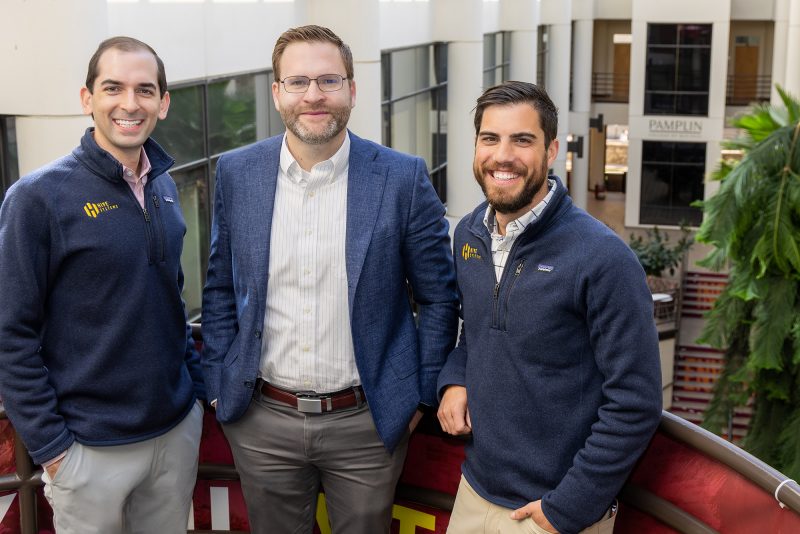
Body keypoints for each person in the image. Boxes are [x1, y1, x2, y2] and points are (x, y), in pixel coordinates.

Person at [201, 24, 459, 534]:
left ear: (352, 90)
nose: (313, 96)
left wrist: (419, 396)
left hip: (366, 423)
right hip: (261, 421)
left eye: (328, 81)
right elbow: (219, 288)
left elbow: (438, 297)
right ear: (276, 93)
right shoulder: (237, 172)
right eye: (297, 82)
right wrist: (219, 386)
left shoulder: (402, 178)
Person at [437, 81, 662, 534]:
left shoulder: (602, 258)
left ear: (552, 149)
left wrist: (569, 507)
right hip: (474, 490)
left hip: (552, 511)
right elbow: (474, 328)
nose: (503, 156)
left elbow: (636, 401)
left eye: (523, 140)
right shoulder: (468, 235)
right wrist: (455, 379)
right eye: (490, 138)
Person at [0, 36, 205, 534]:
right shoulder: (37, 199)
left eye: (145, 89)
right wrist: (52, 449)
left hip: (174, 433)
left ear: (163, 102)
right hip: (87, 451)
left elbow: (169, 297)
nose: (129, 104)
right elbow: (10, 333)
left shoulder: (162, 186)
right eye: (113, 87)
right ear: (87, 98)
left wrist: (196, 391)